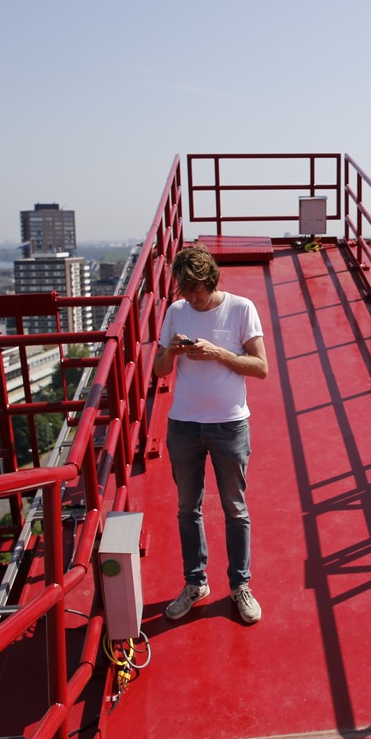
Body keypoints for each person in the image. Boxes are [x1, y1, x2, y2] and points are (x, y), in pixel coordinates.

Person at [154, 246, 268, 624]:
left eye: (197, 290)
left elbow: (261, 367)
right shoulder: (176, 311)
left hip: (229, 424)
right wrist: (172, 352)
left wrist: (218, 352)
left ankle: (240, 585)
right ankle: (195, 583)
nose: (192, 298)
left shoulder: (241, 309)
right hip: (184, 424)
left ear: (211, 280)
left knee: (235, 508)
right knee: (188, 508)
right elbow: (159, 371)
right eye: (186, 291)